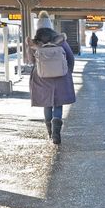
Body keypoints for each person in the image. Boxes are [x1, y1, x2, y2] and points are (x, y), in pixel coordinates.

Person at [30, 11, 76, 145]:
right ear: (50, 26)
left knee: (47, 104)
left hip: (42, 77)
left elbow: (30, 60)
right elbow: (70, 57)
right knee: (58, 103)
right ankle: (57, 131)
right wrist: (68, 72)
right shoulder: (60, 40)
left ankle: (50, 131)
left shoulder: (35, 42)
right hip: (60, 76)